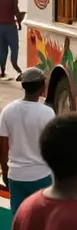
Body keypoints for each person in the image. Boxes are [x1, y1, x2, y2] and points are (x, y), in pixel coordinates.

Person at [0, 68, 54, 216]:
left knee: (19, 220)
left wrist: (5, 172)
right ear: (42, 87)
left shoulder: (8, 111)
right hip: (42, 176)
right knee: (43, 219)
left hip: (16, 176)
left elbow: (3, 148)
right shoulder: (47, 113)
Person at [0, 0, 22, 80]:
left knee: (2, 49)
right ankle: (17, 68)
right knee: (14, 48)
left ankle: (2, 70)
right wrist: (19, 22)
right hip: (10, 27)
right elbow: (16, 11)